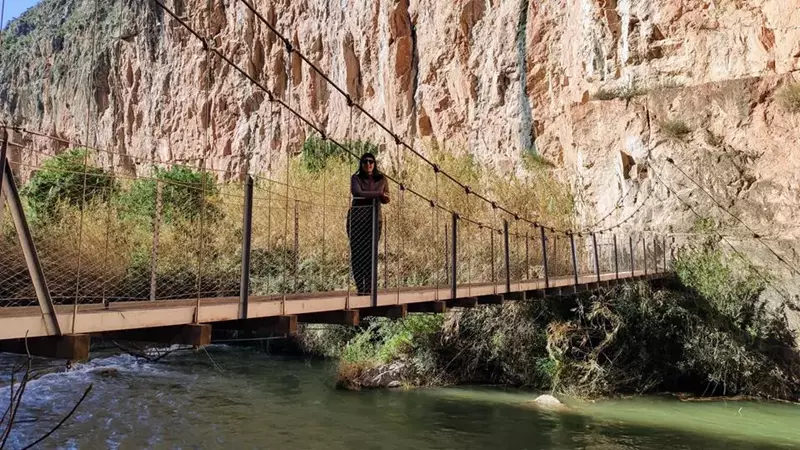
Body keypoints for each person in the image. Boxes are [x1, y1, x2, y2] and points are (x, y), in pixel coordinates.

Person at [347, 152, 389, 295]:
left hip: (374, 220)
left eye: (371, 161)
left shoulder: (382, 179)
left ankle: (370, 289)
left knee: (371, 254)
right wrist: (378, 194)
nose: (368, 164)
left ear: (374, 163)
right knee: (357, 254)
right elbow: (357, 193)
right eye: (365, 161)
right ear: (361, 164)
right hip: (357, 220)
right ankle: (361, 288)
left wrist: (382, 196)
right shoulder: (356, 178)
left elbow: (387, 198)